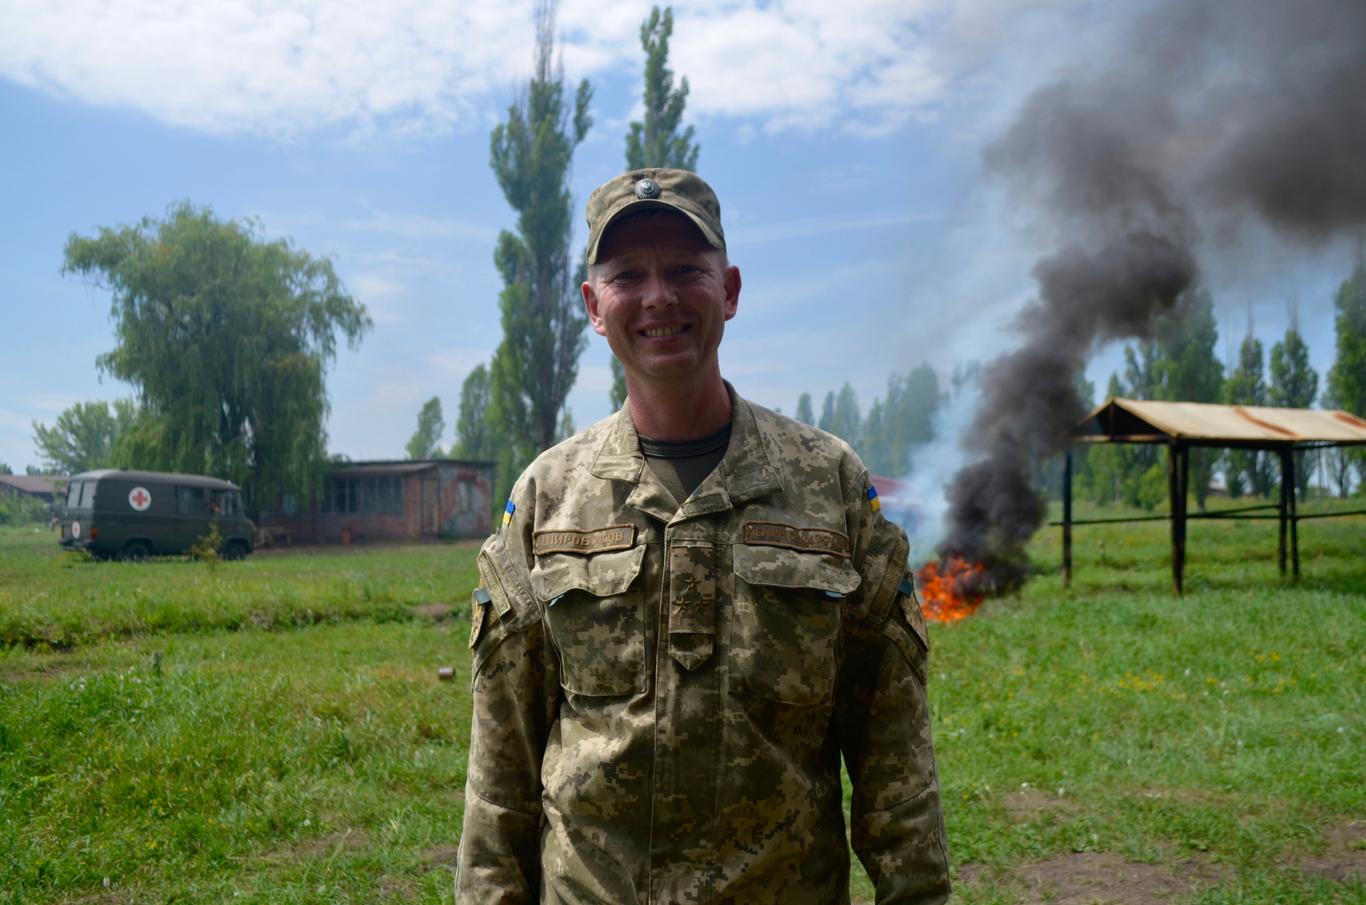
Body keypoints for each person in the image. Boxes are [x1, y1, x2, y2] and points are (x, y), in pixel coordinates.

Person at [456, 168, 950, 904]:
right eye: (629, 274)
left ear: (731, 290)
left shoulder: (828, 483)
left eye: (686, 269)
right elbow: (500, 769)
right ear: (594, 305)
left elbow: (893, 750)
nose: (659, 296)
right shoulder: (549, 498)